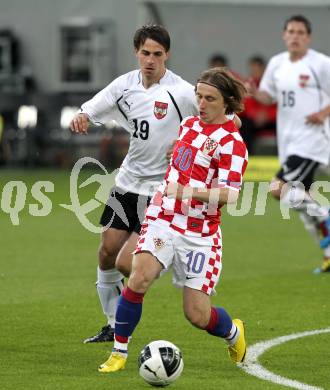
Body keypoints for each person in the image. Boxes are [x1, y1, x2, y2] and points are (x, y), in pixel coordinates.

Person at [98, 67, 248, 373]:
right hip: (163, 217)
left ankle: (233, 332)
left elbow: (231, 195)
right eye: (199, 96)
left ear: (226, 103)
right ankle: (119, 351)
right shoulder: (189, 125)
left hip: (200, 234)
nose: (201, 104)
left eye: (210, 99)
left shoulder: (233, 144)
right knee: (139, 277)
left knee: (197, 315)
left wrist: (187, 190)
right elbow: (184, 157)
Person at [70, 25, 200, 343]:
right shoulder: (125, 85)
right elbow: (94, 105)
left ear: (167, 54)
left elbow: (219, 121)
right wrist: (82, 116)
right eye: (145, 53)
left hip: (161, 191)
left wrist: (190, 144)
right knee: (106, 252)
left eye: (157, 54)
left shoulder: (182, 92)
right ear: (136, 53)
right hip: (127, 183)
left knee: (127, 264)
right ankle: (112, 325)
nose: (151, 60)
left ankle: (164, 258)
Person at [249, 15, 330, 273]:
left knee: (277, 189)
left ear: (308, 37)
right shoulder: (277, 64)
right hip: (289, 141)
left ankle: (327, 214)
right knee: (304, 205)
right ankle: (329, 254)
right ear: (284, 35)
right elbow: (266, 97)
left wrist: (323, 113)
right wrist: (250, 90)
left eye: (300, 32)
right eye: (291, 32)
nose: (295, 36)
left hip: (312, 139)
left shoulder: (321, 64)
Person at [240, 55, 276, 154]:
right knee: (244, 125)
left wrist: (268, 116)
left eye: (257, 69)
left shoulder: (272, 84)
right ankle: (247, 157)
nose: (255, 72)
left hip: (271, 120)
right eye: (253, 69)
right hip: (254, 121)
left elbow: (278, 104)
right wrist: (254, 115)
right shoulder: (247, 84)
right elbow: (245, 105)